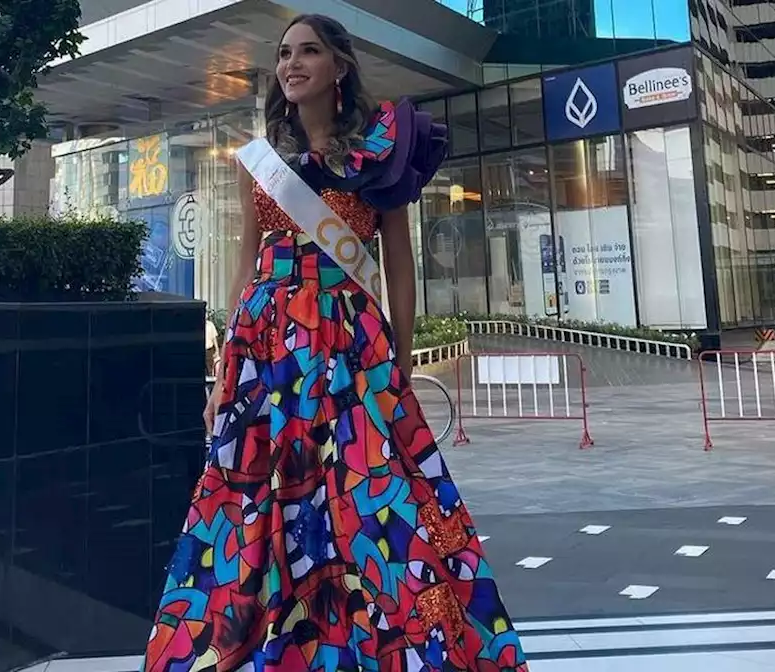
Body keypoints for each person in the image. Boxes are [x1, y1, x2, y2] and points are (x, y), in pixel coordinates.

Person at [144, 14, 529, 671]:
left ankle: (392, 645)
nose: (292, 64)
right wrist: (225, 369)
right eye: (285, 52)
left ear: (339, 66)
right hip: (266, 345)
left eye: (309, 51)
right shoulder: (259, 160)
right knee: (257, 497)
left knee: (373, 496)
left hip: (351, 343)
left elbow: (400, 265)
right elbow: (245, 264)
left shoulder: (383, 152)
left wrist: (400, 364)